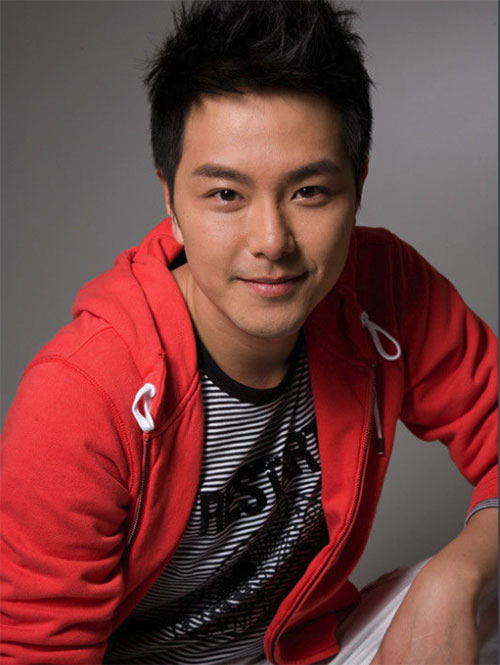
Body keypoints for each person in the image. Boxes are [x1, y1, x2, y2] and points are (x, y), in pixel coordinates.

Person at [1, 1, 497, 664]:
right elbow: (38, 648)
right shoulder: (82, 394)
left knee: (484, 585)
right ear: (170, 200)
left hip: (307, 650)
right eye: (226, 195)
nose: (271, 242)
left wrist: (459, 574)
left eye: (309, 191)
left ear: (358, 184)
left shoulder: (385, 286)